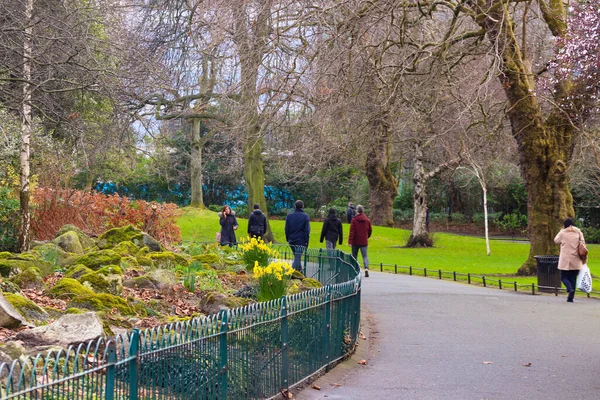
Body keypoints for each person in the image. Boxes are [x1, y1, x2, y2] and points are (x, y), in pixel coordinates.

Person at [554, 218, 585, 302]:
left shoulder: (563, 233)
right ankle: (570, 298)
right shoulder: (578, 232)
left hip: (565, 259)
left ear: (564, 225)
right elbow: (583, 243)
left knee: (564, 277)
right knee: (573, 278)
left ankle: (569, 289)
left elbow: (556, 240)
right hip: (576, 259)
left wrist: (561, 230)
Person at [285, 200, 310, 271]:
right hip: (301, 240)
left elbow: (287, 228)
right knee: (297, 257)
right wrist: (307, 241)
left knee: (297, 257)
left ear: (295, 206)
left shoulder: (289, 216)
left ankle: (300, 273)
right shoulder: (305, 217)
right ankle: (292, 272)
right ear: (303, 206)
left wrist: (288, 238)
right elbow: (307, 230)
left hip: (291, 239)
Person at [349, 205, 372, 277]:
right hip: (364, 241)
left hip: (355, 241)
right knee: (365, 256)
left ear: (357, 211)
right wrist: (366, 236)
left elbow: (352, 231)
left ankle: (354, 270)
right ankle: (366, 268)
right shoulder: (367, 220)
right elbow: (370, 230)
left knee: (354, 256)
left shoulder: (354, 220)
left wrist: (350, 241)